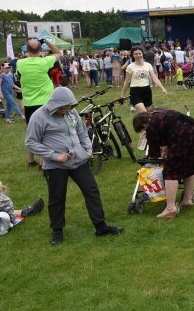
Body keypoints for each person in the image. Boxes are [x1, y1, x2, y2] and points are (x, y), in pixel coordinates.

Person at [24, 87, 123, 244]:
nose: (67, 111)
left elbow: (82, 132)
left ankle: (101, 226)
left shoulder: (71, 112)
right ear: (55, 105)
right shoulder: (39, 117)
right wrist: (55, 156)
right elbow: (30, 142)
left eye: (69, 107)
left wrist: (88, 149)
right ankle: (57, 231)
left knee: (91, 191)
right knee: (57, 197)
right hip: (55, 166)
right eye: (64, 108)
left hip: (79, 161)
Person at [132, 109, 194, 219]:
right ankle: (187, 200)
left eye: (142, 129)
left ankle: (170, 209)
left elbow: (154, 153)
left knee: (171, 171)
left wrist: (153, 160)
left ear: (144, 124)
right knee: (189, 166)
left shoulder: (151, 126)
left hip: (184, 135)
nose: (144, 131)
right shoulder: (157, 114)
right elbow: (168, 135)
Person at [16, 36, 61, 167]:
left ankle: (31, 160)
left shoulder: (20, 63)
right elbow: (57, 52)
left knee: (32, 132)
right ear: (41, 49)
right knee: (46, 132)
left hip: (29, 104)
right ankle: (43, 162)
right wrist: (46, 41)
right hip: (46, 103)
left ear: (26, 50)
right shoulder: (45, 62)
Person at [121, 47, 167, 113]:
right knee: (144, 113)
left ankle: (140, 123)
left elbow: (154, 78)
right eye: (136, 54)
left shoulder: (148, 65)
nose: (138, 55)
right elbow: (127, 81)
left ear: (142, 54)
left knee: (148, 114)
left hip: (147, 91)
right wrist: (122, 95)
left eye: (139, 53)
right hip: (135, 91)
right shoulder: (130, 66)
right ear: (133, 55)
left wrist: (162, 88)